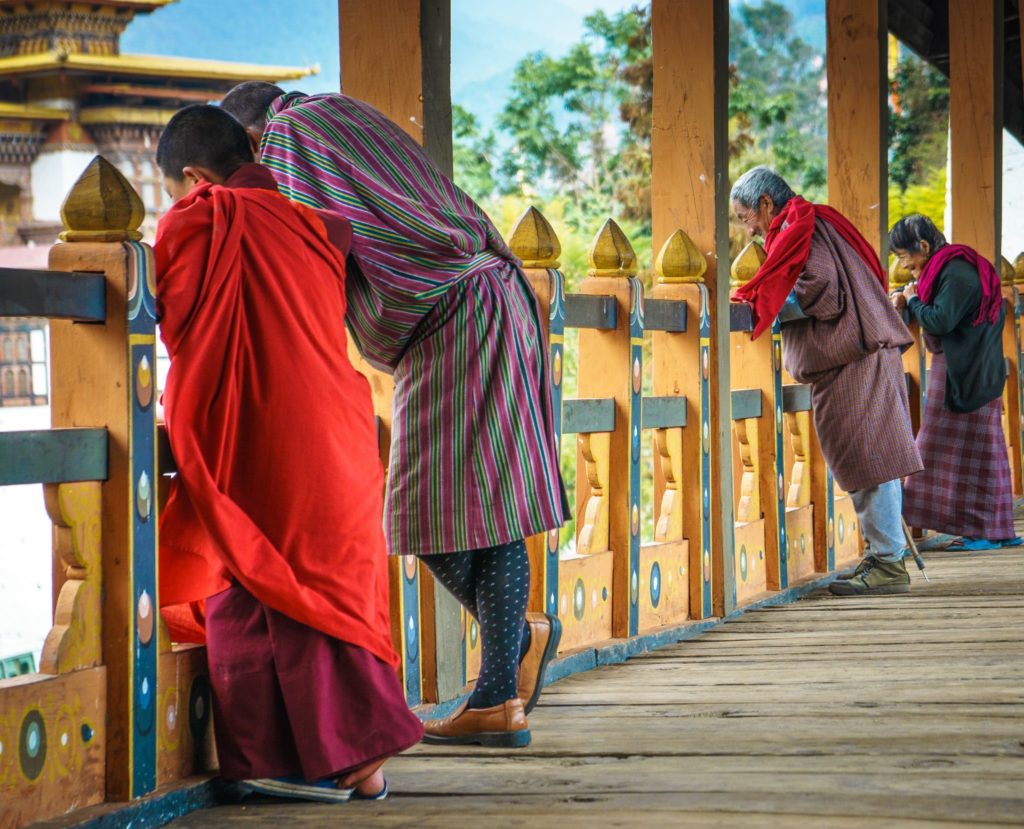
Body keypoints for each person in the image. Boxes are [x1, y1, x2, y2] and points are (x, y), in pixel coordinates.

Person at [220, 83, 567, 746]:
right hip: (490, 295)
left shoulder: (291, 140)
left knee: (419, 511)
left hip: (454, 313)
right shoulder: (339, 108)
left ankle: (507, 664)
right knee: (489, 501)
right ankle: (505, 669)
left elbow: (299, 248)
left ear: (256, 135)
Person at [154, 104, 423, 803]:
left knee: (252, 577)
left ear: (190, 177)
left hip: (267, 433)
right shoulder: (313, 226)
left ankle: (283, 761)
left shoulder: (200, 219)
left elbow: (183, 328)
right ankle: (364, 765)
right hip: (341, 428)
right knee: (327, 581)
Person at [730, 166, 923, 596]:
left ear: (766, 204)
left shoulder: (801, 231)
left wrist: (772, 302)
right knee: (872, 460)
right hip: (861, 356)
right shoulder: (807, 222)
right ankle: (885, 556)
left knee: (870, 461)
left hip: (856, 360)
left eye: (746, 219)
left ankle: (888, 563)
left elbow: (824, 291)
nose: (749, 234)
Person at [890, 214, 1019, 550]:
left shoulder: (957, 271)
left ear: (923, 246)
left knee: (955, 450)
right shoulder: (949, 267)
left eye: (905, 257)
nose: (905, 267)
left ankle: (986, 531)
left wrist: (913, 299)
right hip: (971, 367)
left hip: (967, 372)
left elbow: (941, 320)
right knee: (977, 451)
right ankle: (993, 530)